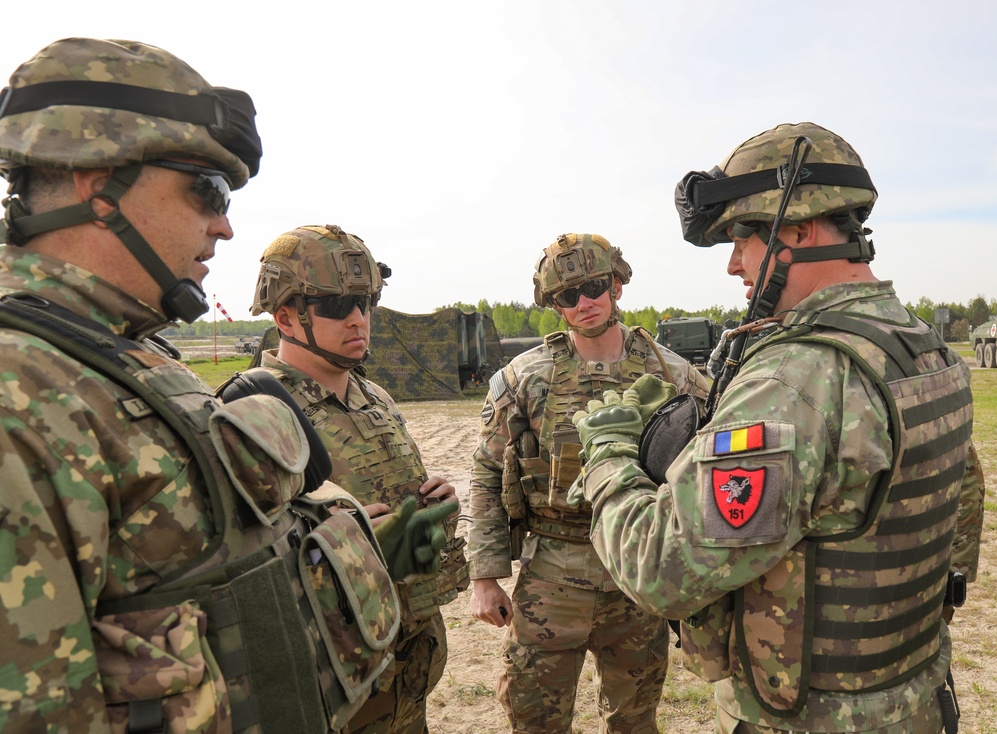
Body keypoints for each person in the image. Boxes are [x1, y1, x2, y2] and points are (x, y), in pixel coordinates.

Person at [0, 38, 449, 733]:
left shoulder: (126, 362)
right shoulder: (21, 392)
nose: (225, 225)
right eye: (206, 190)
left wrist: (359, 545)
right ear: (99, 185)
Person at [570, 122, 986, 733]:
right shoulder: (921, 347)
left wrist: (607, 452)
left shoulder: (798, 375)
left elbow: (659, 568)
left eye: (742, 237)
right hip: (916, 697)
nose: (735, 264)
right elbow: (961, 512)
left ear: (799, 229)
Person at [466, 232, 711, 734]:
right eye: (567, 296)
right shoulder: (524, 378)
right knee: (534, 717)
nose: (584, 303)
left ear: (617, 285)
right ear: (554, 305)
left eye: (594, 286)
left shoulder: (675, 373)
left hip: (637, 567)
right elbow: (489, 473)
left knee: (635, 718)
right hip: (553, 568)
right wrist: (485, 576)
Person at [243, 222, 470, 734]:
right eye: (335, 306)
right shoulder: (253, 412)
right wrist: (345, 545)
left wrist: (436, 502)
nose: (358, 319)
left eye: (365, 303)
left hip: (405, 659)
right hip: (335, 674)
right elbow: (245, 572)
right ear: (285, 316)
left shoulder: (376, 398)